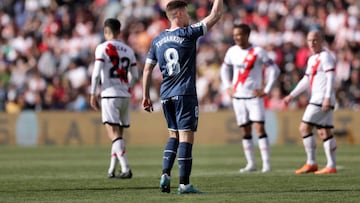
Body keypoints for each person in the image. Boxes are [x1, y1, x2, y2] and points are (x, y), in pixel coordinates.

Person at [142, 0, 223, 194]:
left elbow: (146, 70)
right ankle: (184, 184)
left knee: (173, 135)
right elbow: (216, 15)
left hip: (166, 95)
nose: (189, 16)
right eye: (186, 13)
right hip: (184, 93)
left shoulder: (157, 40)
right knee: (186, 137)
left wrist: (145, 96)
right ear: (178, 14)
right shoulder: (188, 33)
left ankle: (165, 174)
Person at [220, 23, 280, 173]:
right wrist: (227, 86)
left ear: (247, 35)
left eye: (239, 34)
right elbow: (224, 69)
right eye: (234, 35)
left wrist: (266, 89)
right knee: (245, 130)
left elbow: (274, 69)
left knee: (259, 128)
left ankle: (266, 164)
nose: (236, 38)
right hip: (238, 97)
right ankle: (251, 163)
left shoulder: (258, 51)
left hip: (254, 97)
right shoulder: (232, 51)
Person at [90, 18, 139, 179]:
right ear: (119, 31)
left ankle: (125, 168)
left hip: (109, 94)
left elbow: (96, 73)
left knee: (113, 134)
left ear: (106, 31)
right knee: (119, 134)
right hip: (124, 95)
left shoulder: (102, 48)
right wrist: (129, 88)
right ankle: (112, 170)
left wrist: (92, 93)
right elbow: (135, 75)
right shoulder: (128, 50)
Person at [283, 29, 337, 174]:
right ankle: (331, 165)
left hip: (321, 98)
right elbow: (306, 80)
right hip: (321, 98)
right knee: (324, 131)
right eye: (309, 40)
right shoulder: (312, 58)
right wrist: (292, 95)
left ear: (321, 40)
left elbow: (331, 77)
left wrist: (327, 96)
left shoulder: (326, 57)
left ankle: (311, 162)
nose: (312, 43)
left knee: (304, 128)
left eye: (315, 39)